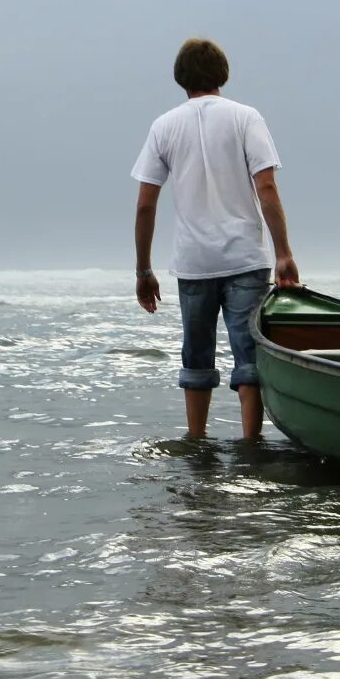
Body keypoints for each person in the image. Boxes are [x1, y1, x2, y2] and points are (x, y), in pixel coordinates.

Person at [132, 38, 300, 440]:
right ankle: (250, 445)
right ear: (222, 73)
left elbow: (145, 206)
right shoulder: (246, 118)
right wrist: (284, 254)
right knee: (248, 356)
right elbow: (268, 189)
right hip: (245, 257)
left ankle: (196, 443)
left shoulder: (164, 126)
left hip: (194, 261)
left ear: (181, 78)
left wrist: (143, 270)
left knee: (196, 355)